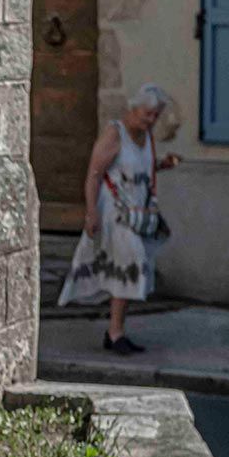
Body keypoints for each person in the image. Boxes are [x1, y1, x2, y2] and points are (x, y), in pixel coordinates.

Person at [58, 83, 182, 354]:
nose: (151, 120)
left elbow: (138, 167)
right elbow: (93, 174)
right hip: (114, 212)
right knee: (132, 262)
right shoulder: (115, 134)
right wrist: (91, 213)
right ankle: (115, 333)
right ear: (134, 108)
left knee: (128, 269)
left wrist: (162, 164)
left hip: (136, 211)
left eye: (155, 115)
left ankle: (116, 332)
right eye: (147, 114)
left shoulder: (146, 137)